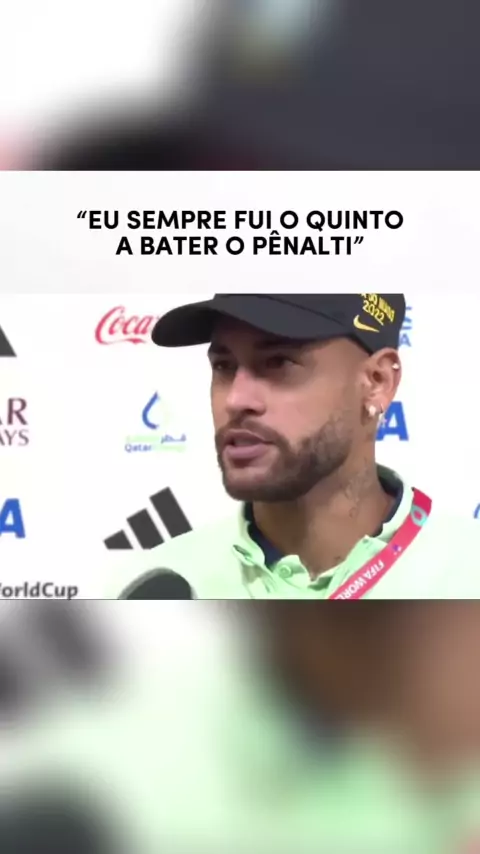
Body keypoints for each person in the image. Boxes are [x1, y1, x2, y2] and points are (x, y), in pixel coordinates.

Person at [111, 292, 480, 600]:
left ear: (377, 382)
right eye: (224, 366)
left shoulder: (467, 571)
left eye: (278, 363)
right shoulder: (155, 590)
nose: (236, 400)